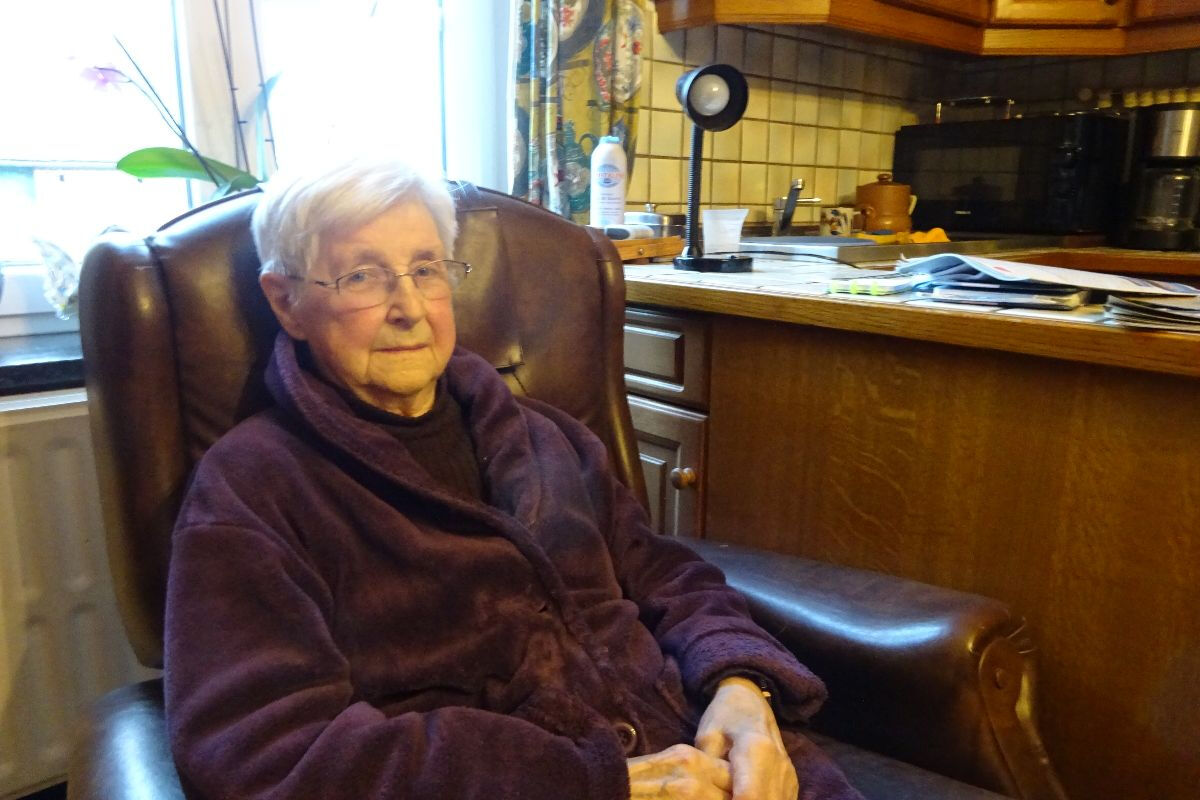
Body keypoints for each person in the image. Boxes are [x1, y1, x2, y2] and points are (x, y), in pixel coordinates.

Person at [163, 157, 864, 800]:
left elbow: (665, 574)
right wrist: (592, 783)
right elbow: (265, 751)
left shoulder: (545, 435)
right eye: (362, 277)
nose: (409, 308)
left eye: (426, 269)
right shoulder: (253, 490)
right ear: (286, 302)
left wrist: (741, 687)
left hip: (713, 758)